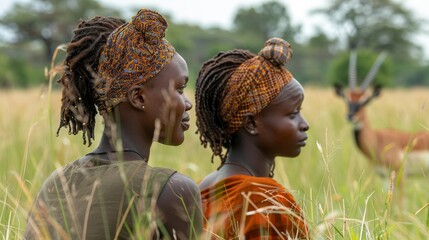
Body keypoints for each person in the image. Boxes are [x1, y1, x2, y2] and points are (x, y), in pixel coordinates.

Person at [24, 9, 202, 239]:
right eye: (179, 88)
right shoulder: (172, 190)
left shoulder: (56, 183)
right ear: (138, 98)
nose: (187, 104)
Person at [195, 38, 310, 239]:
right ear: (251, 124)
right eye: (293, 114)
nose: (304, 124)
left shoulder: (200, 189)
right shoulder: (265, 200)